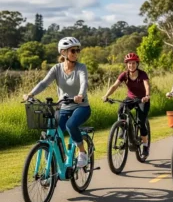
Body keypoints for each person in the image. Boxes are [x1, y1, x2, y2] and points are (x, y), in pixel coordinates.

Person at [23, 37, 91, 167]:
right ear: (63, 52)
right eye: (73, 51)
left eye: (78, 50)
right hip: (64, 107)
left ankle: (82, 152)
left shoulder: (81, 67)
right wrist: (31, 94)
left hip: (81, 107)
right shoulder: (57, 68)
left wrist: (81, 94)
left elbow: (84, 82)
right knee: (52, 133)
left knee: (71, 125)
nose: (76, 53)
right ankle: (51, 168)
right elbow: (44, 83)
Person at [102, 53, 151, 157]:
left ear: (137, 64)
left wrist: (147, 96)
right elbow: (114, 86)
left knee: (141, 122)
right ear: (127, 64)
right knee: (121, 110)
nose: (131, 65)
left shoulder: (142, 74)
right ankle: (123, 128)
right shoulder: (124, 74)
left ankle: (145, 145)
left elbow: (146, 85)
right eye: (129, 63)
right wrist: (106, 95)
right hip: (131, 99)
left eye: (133, 63)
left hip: (143, 99)